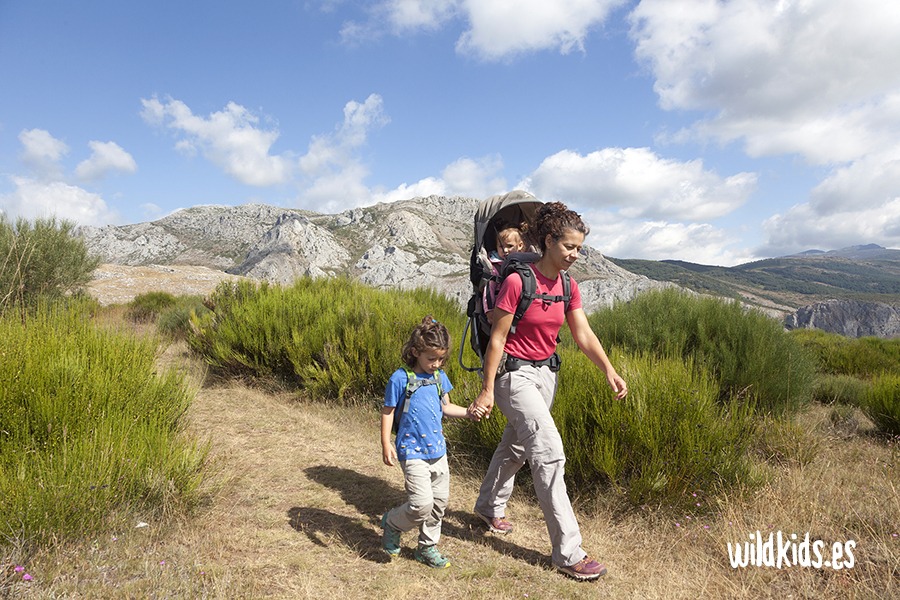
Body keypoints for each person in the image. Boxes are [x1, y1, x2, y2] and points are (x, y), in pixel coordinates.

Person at [467, 201, 628, 581]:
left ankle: (488, 505)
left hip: (545, 376)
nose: (574, 255)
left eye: (579, 248)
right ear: (549, 240)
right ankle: (568, 552)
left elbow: (582, 333)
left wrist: (609, 370)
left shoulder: (568, 285)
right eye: (569, 246)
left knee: (518, 445)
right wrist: (488, 389)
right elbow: (498, 340)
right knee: (549, 453)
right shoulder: (516, 281)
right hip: (513, 376)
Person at [380, 316, 482, 568]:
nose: (436, 364)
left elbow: (446, 407)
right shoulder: (400, 378)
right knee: (420, 505)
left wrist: (469, 412)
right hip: (411, 451)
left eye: (440, 359)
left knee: (438, 505)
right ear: (415, 352)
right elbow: (388, 411)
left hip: (438, 452)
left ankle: (426, 547)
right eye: (431, 359)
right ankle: (392, 522)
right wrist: (385, 443)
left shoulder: (439, 377)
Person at [484, 224, 527, 324]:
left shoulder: (527, 264)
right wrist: (489, 310)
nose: (506, 250)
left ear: (520, 245)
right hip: (500, 306)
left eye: (510, 246)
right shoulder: (495, 267)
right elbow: (489, 289)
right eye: (501, 246)